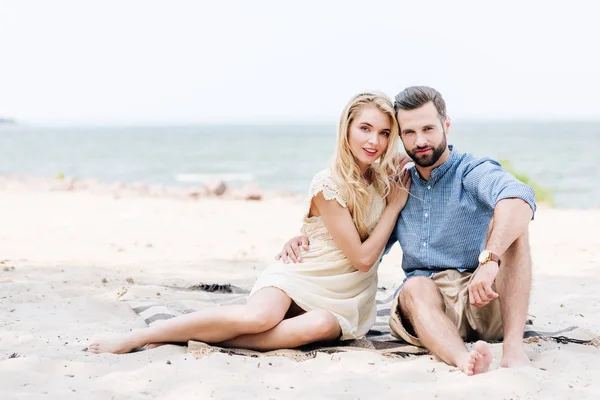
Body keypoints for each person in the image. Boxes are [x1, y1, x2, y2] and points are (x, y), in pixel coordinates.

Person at [88, 92, 412, 354]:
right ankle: (144, 336)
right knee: (260, 317)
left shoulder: (385, 178)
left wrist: (299, 235)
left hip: (345, 295)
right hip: (302, 274)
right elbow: (363, 258)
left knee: (322, 327)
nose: (375, 141)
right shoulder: (328, 183)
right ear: (347, 130)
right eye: (365, 129)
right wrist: (394, 207)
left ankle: (193, 338)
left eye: (384, 133)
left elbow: (433, 152)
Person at [276, 86, 536, 376]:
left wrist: (489, 260)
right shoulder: (396, 185)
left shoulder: (471, 171)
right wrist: (309, 236)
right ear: (399, 137)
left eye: (428, 129)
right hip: (424, 309)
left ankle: (513, 350)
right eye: (409, 132)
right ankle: (464, 360)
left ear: (446, 125)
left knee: (514, 229)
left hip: (482, 298)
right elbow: (362, 244)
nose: (420, 141)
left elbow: (519, 196)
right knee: (415, 285)